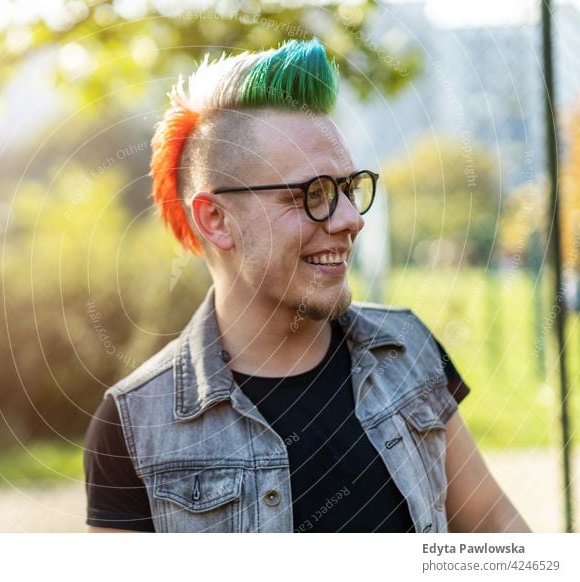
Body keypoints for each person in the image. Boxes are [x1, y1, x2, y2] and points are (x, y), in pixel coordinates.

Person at [83, 39, 530, 533]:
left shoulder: (408, 352)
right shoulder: (135, 425)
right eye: (311, 195)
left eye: (348, 189)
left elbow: (496, 532)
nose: (349, 220)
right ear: (216, 219)